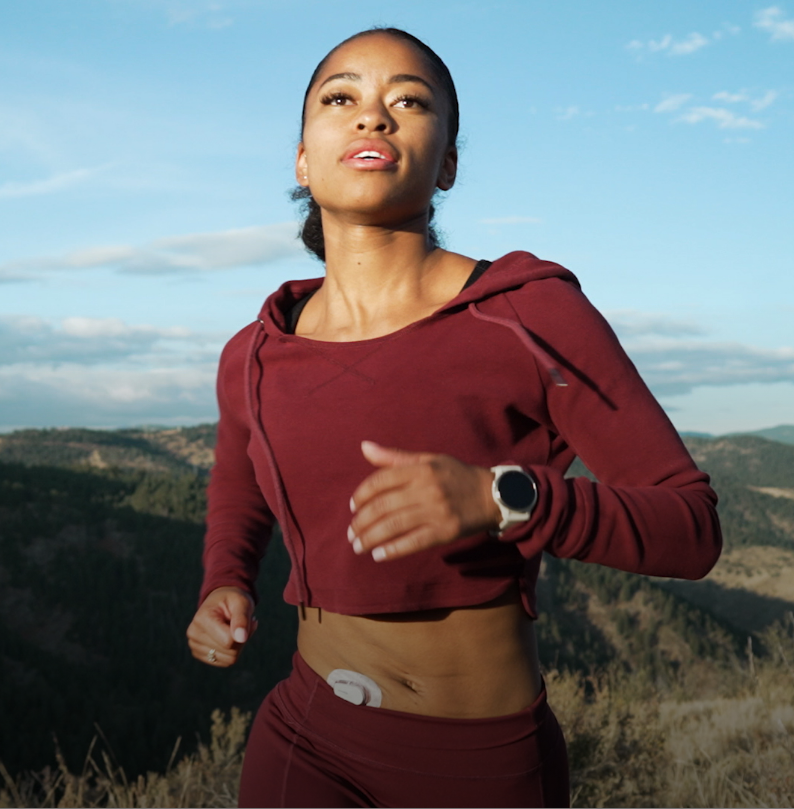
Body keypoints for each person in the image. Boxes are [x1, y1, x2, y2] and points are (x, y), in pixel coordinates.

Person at [184, 27, 722, 808]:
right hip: (304, 736)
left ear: (449, 163)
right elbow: (239, 479)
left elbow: (691, 526)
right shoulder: (254, 351)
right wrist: (223, 583)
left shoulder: (528, 312)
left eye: (409, 100)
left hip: (476, 761)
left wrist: (502, 498)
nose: (373, 116)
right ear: (302, 159)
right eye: (342, 98)